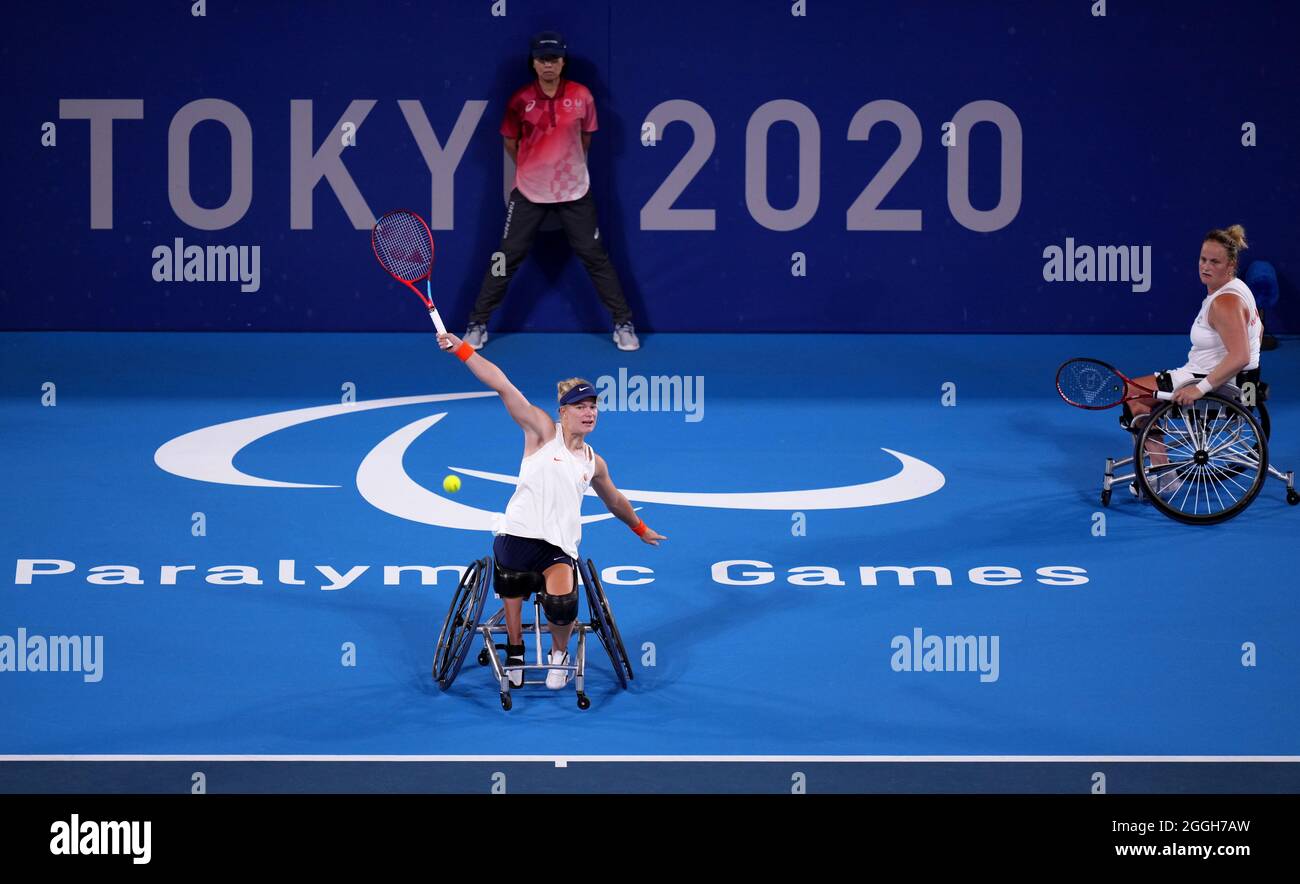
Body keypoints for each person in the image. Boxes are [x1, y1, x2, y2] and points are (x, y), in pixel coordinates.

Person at [438, 330, 665, 688]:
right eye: (580, 406)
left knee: (563, 605)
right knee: (511, 580)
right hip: (516, 536)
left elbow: (615, 501)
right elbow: (502, 384)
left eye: (593, 406)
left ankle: (559, 654)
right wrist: (462, 350)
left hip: (558, 550)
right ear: (563, 412)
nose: (589, 412)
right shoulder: (543, 431)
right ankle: (515, 648)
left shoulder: (594, 462)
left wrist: (640, 528)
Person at [463, 30, 640, 352]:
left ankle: (623, 323)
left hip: (575, 192)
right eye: (543, 59)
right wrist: (534, 169)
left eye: (554, 59)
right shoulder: (519, 100)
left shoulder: (582, 96)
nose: (549, 65)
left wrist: (564, 170)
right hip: (529, 192)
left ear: (562, 62)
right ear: (533, 63)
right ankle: (477, 324)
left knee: (595, 257)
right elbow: (509, 141)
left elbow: (586, 139)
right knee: (505, 258)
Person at [1123, 225, 1263, 492]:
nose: (1205, 266)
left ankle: (1163, 473)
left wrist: (1199, 389)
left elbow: (1241, 355)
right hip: (1243, 385)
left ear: (1230, 264)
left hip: (1218, 384)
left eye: (1214, 261)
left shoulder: (1225, 303)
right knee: (1140, 388)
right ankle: (1158, 465)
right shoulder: (1238, 288)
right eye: (1202, 259)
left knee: (1132, 391)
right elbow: (1257, 335)